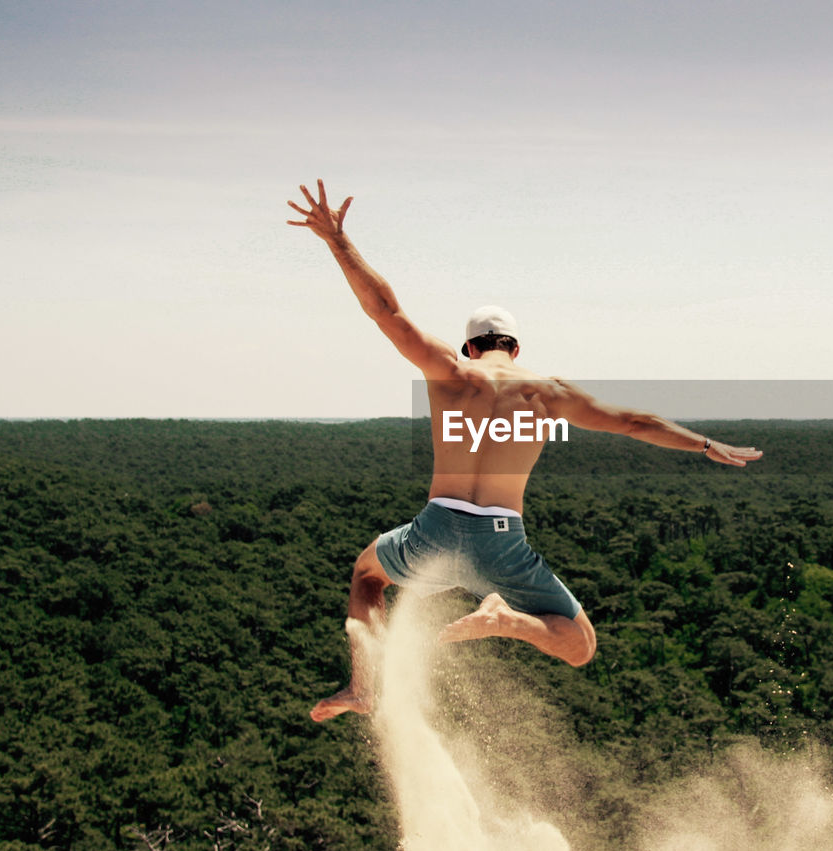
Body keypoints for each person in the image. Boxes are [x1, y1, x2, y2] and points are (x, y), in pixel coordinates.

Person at [289, 180, 763, 722]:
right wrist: (705, 443)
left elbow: (385, 311)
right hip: (501, 544)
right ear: (516, 348)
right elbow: (635, 423)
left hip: (436, 531)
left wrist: (337, 240)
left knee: (367, 574)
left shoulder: (451, 371)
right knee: (580, 645)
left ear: (470, 345)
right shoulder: (549, 393)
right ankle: (512, 621)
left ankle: (362, 688)